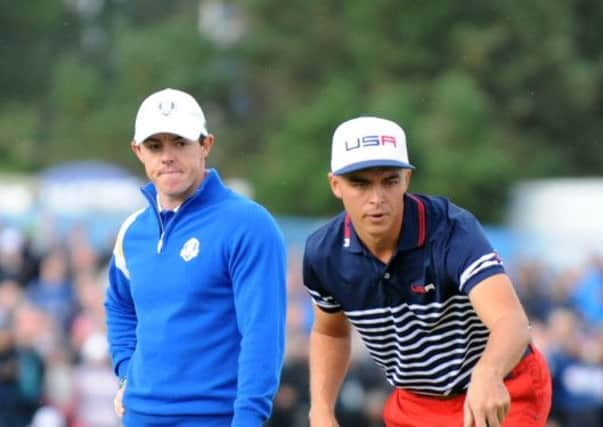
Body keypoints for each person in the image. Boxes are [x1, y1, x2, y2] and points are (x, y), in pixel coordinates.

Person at [303, 116, 552, 427]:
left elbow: (511, 322)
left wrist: (487, 374)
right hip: (416, 403)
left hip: (502, 384)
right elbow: (330, 330)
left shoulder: (452, 231)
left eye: (390, 181)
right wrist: (322, 411)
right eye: (360, 183)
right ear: (335, 185)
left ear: (407, 179)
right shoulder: (322, 253)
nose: (377, 198)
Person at [104, 88, 287, 426]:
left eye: (180, 142)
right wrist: (127, 372)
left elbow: (263, 335)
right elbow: (118, 305)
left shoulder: (249, 224)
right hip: (139, 417)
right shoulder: (132, 232)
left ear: (206, 145)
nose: (167, 156)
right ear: (138, 151)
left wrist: (248, 419)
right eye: (155, 146)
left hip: (215, 418)